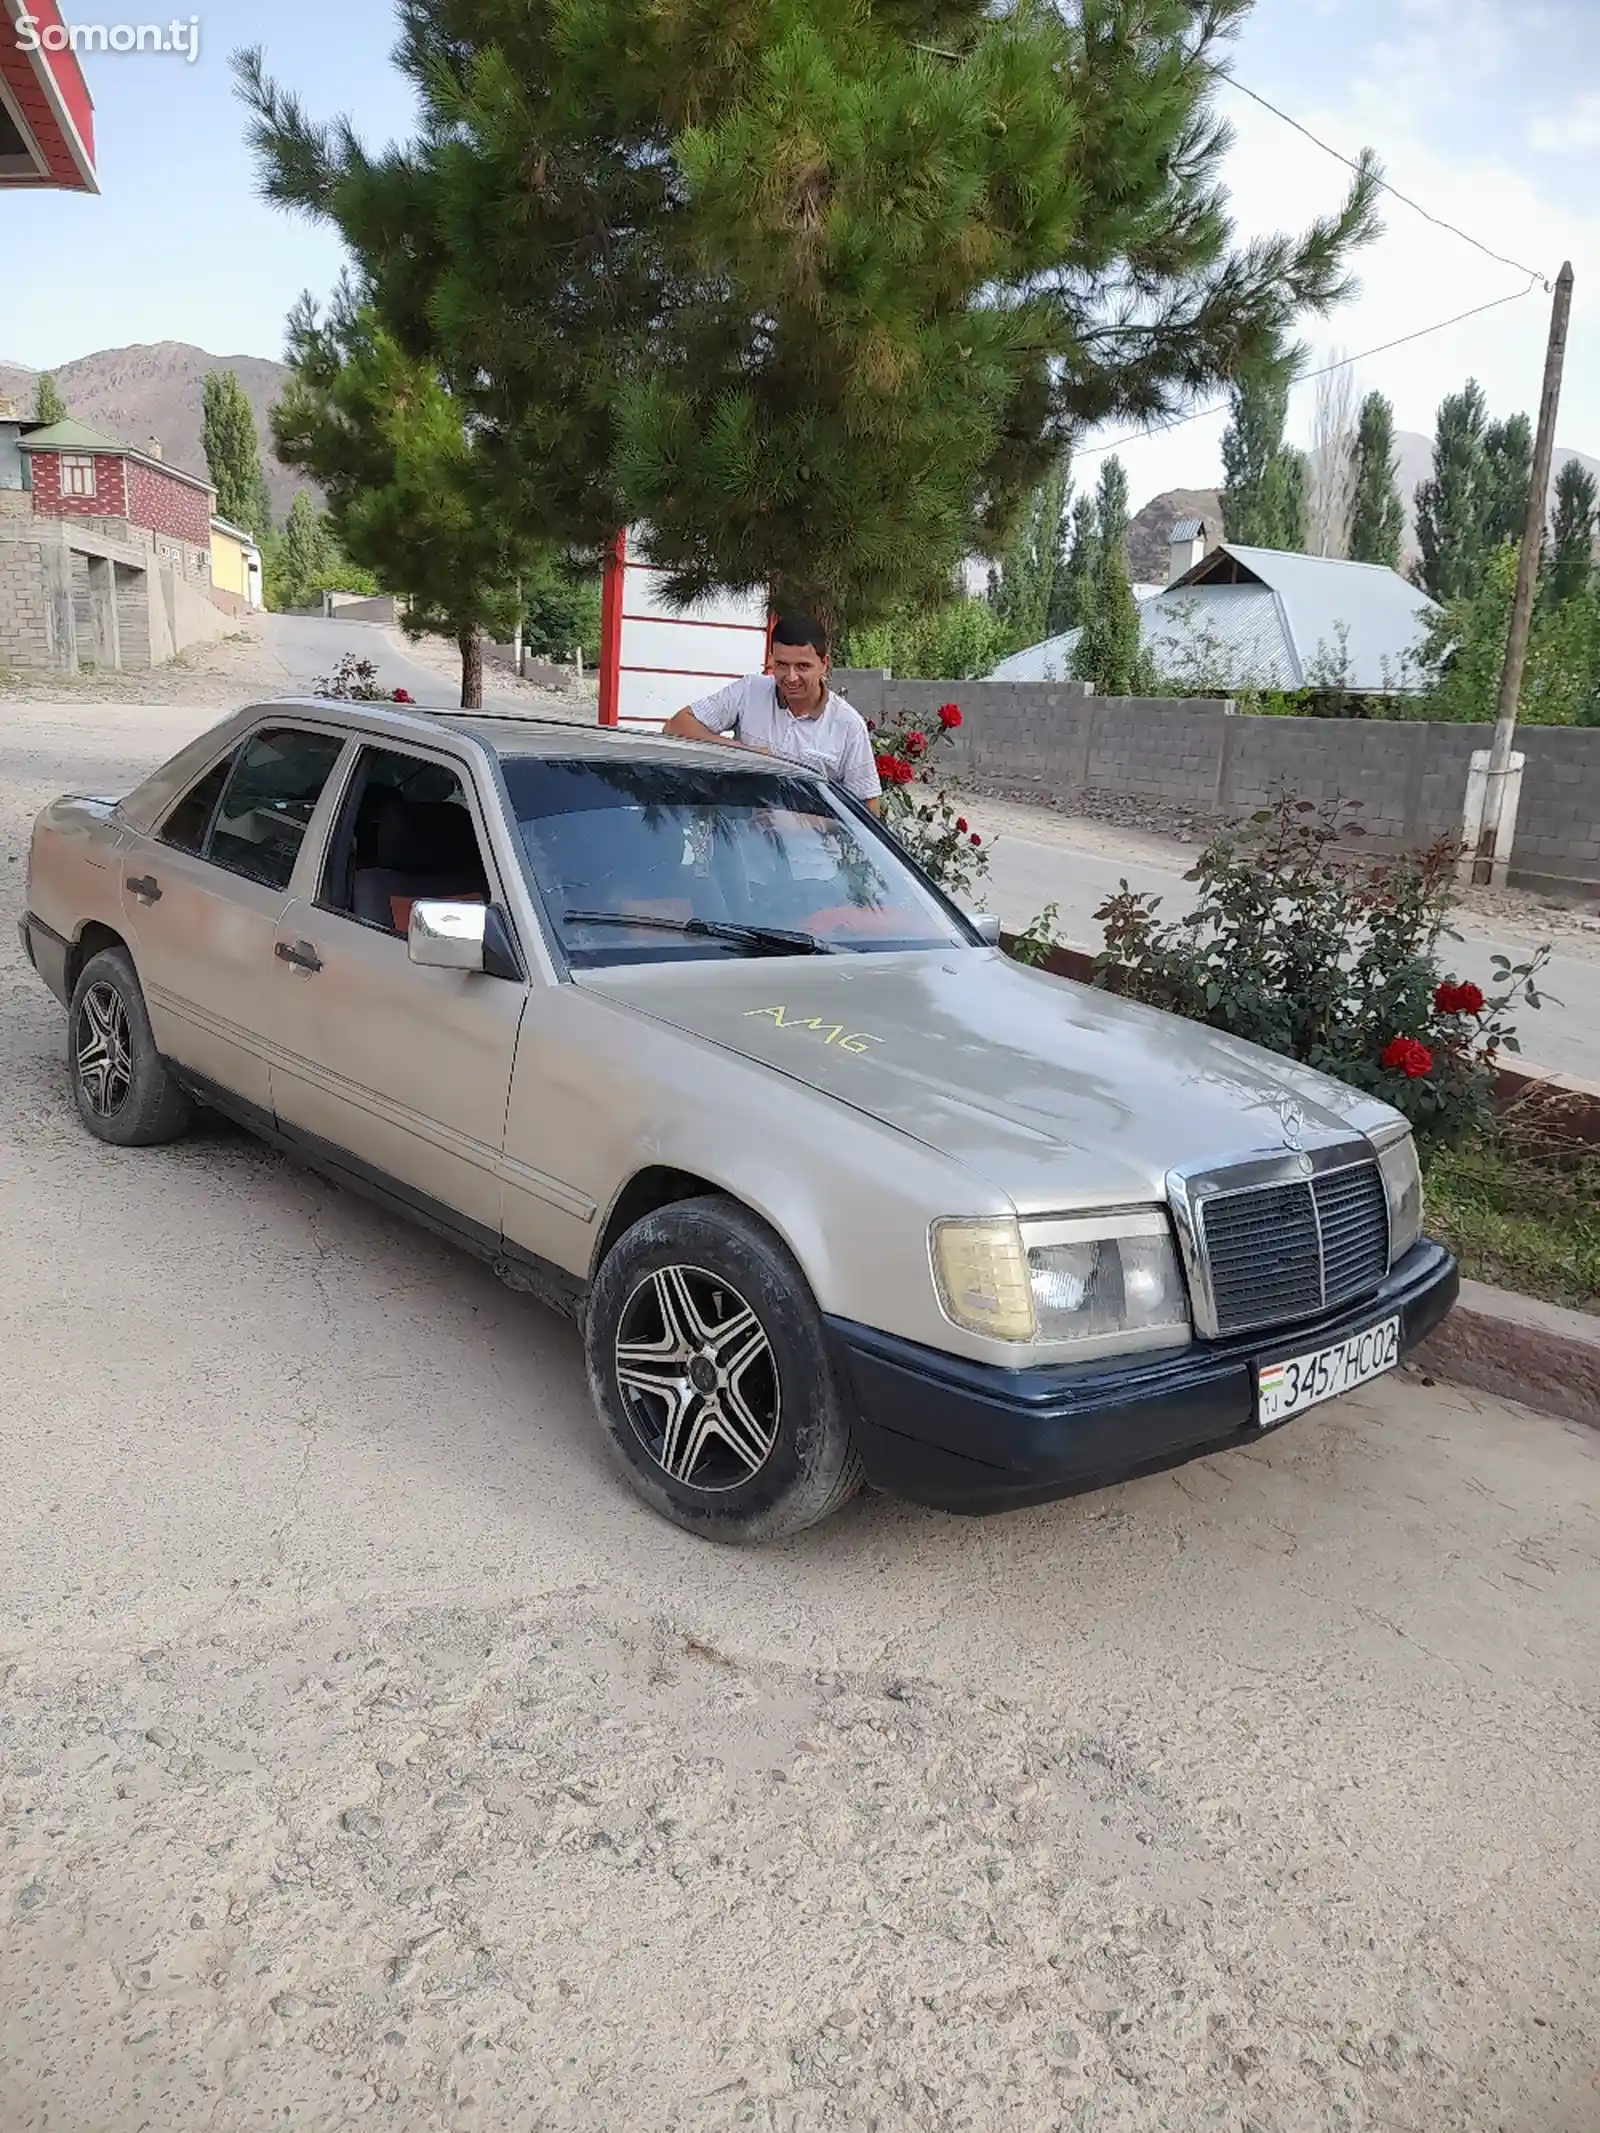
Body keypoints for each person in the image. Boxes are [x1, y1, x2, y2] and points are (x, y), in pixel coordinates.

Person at [663, 614, 883, 814]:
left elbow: (868, 807)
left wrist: (811, 824)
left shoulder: (848, 725)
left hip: (812, 855)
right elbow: (676, 726)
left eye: (803, 666)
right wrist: (743, 753)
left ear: (824, 664)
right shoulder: (749, 691)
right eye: (781, 664)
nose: (791, 677)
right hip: (740, 848)